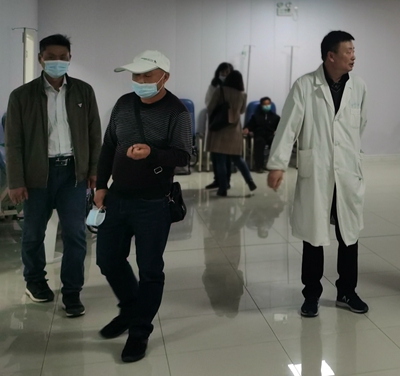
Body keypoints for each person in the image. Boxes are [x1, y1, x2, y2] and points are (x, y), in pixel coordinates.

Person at [94, 50, 192, 363]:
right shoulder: (123, 104)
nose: (140, 80)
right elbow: (109, 146)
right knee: (107, 259)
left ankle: (139, 330)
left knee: (150, 269)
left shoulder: (177, 112)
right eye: (136, 75)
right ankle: (130, 308)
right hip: (118, 197)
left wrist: (152, 153)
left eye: (147, 75)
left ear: (164, 77)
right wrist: (100, 185)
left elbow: (183, 156)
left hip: (153, 202)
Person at [267, 31, 368, 318]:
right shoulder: (304, 86)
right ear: (330, 56)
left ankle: (347, 291)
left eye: (354, 50)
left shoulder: (359, 86)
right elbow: (288, 126)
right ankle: (311, 294)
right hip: (318, 170)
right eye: (348, 51)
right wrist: (277, 163)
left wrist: (348, 154)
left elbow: (361, 124)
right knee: (313, 235)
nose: (353, 56)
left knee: (349, 235)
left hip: (347, 172)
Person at [5, 34, 102, 317]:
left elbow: (94, 135)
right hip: (37, 176)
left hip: (72, 174)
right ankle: (35, 282)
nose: (57, 62)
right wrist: (15, 181)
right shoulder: (21, 96)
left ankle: (72, 292)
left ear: (70, 58)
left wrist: (94, 170)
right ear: (40, 59)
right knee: (33, 234)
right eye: (51, 57)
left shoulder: (84, 92)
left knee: (75, 235)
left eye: (63, 57)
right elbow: (13, 143)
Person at [206, 70, 255, 195]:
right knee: (238, 158)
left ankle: (223, 188)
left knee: (220, 161)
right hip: (235, 130)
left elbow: (210, 108)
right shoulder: (242, 95)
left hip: (219, 130)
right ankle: (249, 180)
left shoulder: (220, 91)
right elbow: (242, 111)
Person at [204, 62, 233, 190]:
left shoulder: (234, 87)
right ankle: (217, 180)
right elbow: (207, 102)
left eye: (227, 72)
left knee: (225, 157)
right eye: (222, 72)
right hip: (215, 124)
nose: (224, 75)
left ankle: (225, 183)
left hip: (228, 126)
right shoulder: (213, 86)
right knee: (215, 156)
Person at [244, 97, 281, 173]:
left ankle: (273, 165)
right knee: (259, 142)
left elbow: (281, 127)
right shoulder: (255, 116)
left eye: (268, 104)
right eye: (265, 104)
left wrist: (277, 131)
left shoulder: (275, 117)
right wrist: (247, 129)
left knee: (276, 142)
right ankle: (259, 166)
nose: (267, 106)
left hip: (270, 135)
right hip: (259, 135)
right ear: (261, 105)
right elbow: (249, 126)